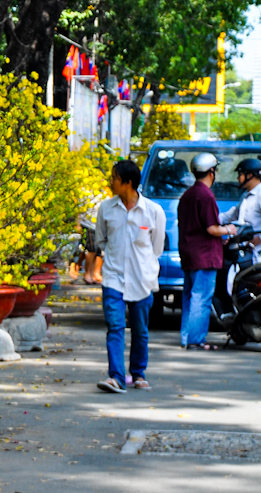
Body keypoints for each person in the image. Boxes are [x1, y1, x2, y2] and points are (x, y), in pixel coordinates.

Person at [94, 159, 166, 393]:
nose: (111, 181)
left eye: (114, 178)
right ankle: (115, 376)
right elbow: (101, 240)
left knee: (140, 329)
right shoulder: (106, 208)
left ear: (127, 183)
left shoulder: (153, 211)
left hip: (142, 278)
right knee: (114, 326)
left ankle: (138, 373)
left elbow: (157, 248)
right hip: (113, 276)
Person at [177, 152, 236, 351]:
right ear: (212, 172)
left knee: (189, 297)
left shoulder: (187, 195)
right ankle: (196, 340)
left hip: (189, 254)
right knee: (201, 298)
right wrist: (229, 230)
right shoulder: (206, 195)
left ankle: (187, 337)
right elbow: (212, 228)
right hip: (205, 256)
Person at [219, 158, 261, 264]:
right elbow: (233, 214)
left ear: (250, 175)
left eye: (240, 174)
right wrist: (211, 220)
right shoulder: (246, 195)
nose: (238, 178)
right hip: (245, 252)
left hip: (258, 254)